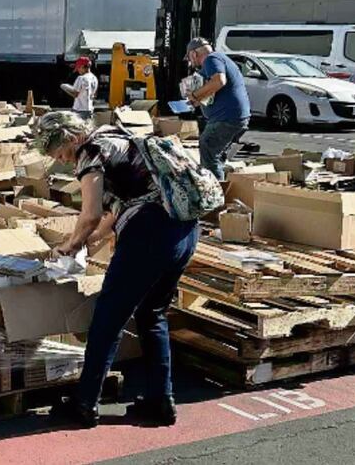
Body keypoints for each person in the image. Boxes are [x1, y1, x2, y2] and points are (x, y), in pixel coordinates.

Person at [34, 111, 199, 428]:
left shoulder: (89, 152)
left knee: (108, 319)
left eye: (61, 153)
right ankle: (161, 401)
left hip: (149, 234)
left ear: (70, 138)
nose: (65, 161)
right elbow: (118, 209)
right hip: (185, 231)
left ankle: (85, 404)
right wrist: (88, 241)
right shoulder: (115, 135)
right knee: (153, 314)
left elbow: (91, 213)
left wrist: (70, 244)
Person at [186, 37, 250, 180]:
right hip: (236, 117)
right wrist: (197, 99)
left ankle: (215, 194)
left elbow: (219, 81)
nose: (191, 63)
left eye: (190, 58)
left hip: (226, 118)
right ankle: (225, 190)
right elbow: (214, 89)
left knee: (207, 147)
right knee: (217, 156)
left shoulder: (211, 59)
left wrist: (195, 95)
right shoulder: (219, 59)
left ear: (194, 54)